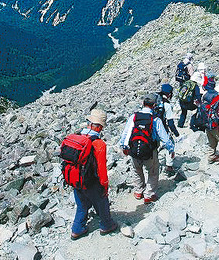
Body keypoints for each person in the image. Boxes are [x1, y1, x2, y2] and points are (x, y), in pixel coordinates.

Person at [68, 109, 118, 239]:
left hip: (76, 179)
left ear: (89, 123)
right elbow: (101, 169)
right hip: (91, 181)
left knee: (82, 205)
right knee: (102, 201)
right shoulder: (99, 143)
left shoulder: (76, 137)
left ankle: (77, 229)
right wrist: (105, 186)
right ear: (100, 127)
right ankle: (107, 225)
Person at [120, 95, 175, 204]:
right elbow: (164, 137)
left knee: (137, 170)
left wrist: (123, 146)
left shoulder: (134, 117)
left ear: (143, 104)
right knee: (153, 172)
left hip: (134, 150)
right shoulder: (155, 120)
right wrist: (171, 149)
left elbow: (126, 133)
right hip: (150, 151)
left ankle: (138, 191)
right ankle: (149, 195)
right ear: (154, 106)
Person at [154, 84, 180, 174]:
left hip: (151, 128)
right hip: (162, 128)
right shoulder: (167, 105)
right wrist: (176, 133)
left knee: (155, 147)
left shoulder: (155, 101)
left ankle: (153, 164)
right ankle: (169, 166)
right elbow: (170, 122)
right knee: (170, 144)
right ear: (169, 94)